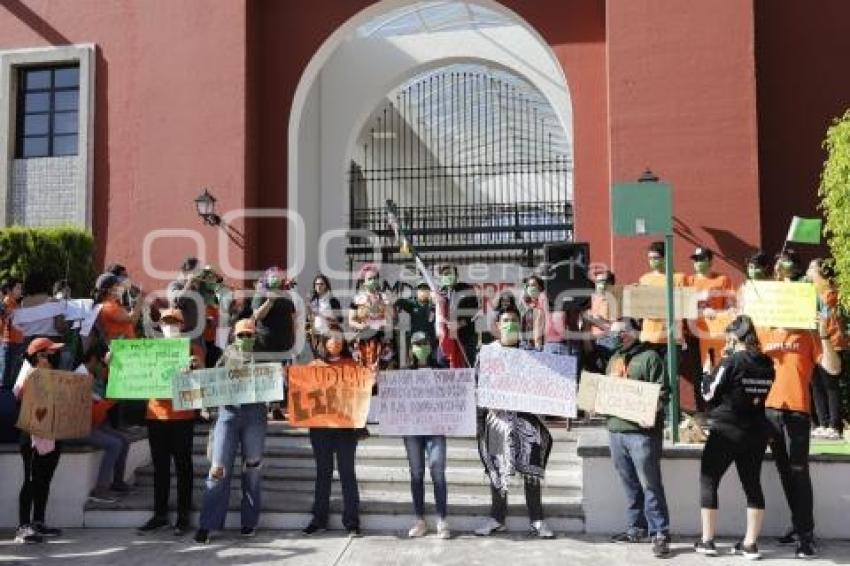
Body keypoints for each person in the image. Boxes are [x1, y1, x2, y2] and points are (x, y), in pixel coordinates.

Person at [761, 307, 841, 558]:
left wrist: (825, 335)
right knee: (785, 473)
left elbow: (834, 368)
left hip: (797, 413)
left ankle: (806, 536)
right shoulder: (764, 332)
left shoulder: (809, 336)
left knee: (799, 473)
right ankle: (798, 526)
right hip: (769, 411)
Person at [694, 315, 775, 559]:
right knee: (752, 485)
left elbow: (708, 393)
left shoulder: (731, 361)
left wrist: (708, 373)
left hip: (726, 430)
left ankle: (707, 541)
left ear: (733, 337)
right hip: (756, 431)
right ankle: (750, 544)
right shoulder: (767, 363)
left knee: (709, 480)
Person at [475, 307, 554, 539]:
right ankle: (497, 519)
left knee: (531, 471)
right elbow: (478, 386)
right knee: (497, 471)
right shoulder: (487, 353)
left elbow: (545, 385)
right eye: (505, 320)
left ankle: (537, 520)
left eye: (514, 320)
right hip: (497, 421)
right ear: (498, 325)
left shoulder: (531, 353)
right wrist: (479, 423)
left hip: (527, 421)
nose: (510, 324)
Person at [194, 318, 269, 544]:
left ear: (255, 336)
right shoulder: (225, 356)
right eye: (241, 335)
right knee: (217, 469)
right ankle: (208, 524)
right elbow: (211, 382)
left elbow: (274, 388)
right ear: (234, 337)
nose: (245, 339)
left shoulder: (264, 357)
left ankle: (249, 522)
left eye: (249, 335)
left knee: (253, 468)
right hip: (228, 414)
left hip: (255, 415)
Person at [605, 317, 671, 558]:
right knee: (629, 483)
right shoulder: (614, 359)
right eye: (612, 333)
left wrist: (650, 409)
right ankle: (636, 528)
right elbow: (606, 391)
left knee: (650, 484)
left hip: (641, 434)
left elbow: (663, 393)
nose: (614, 336)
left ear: (631, 333)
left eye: (618, 333)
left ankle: (660, 533)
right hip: (616, 430)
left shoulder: (650, 358)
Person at [13, 337, 87, 543]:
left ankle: (38, 521)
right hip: (32, 436)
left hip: (54, 434)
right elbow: (20, 397)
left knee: (44, 480)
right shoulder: (27, 375)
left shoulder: (56, 375)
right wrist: (37, 374)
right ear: (39, 355)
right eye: (49, 352)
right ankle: (23, 526)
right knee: (30, 481)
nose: (55, 355)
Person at [138, 308, 203, 537]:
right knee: (160, 468)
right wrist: (114, 360)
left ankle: (183, 515)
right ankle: (160, 514)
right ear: (160, 325)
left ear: (182, 325)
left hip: (182, 417)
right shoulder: (151, 349)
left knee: (183, 467)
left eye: (174, 322)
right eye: (166, 322)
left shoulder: (192, 350)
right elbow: (133, 369)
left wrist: (195, 368)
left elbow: (201, 381)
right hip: (155, 415)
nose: (170, 325)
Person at [302, 332, 362, 536]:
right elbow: (303, 393)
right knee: (323, 473)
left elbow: (361, 394)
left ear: (343, 342)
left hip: (345, 429)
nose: (334, 342)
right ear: (323, 342)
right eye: (330, 338)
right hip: (320, 428)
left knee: (347, 473)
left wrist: (371, 377)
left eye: (338, 338)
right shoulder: (314, 367)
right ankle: (319, 519)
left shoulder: (353, 366)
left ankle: (352, 521)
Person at [404, 331, 450, 539]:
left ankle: (442, 520)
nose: (421, 347)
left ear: (430, 347)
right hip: (412, 429)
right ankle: (419, 520)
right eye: (417, 343)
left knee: (438, 471)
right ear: (411, 348)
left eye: (424, 343)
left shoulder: (442, 370)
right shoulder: (403, 372)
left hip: (436, 428)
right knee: (416, 473)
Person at [806, 259, 847, 440]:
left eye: (811, 268)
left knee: (830, 384)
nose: (808, 272)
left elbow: (827, 318)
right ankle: (822, 423)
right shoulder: (809, 294)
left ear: (822, 273)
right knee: (816, 384)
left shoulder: (831, 294)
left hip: (832, 344)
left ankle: (834, 425)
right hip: (815, 344)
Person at [638, 241, 687, 354]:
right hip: (648, 337)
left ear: (666, 257)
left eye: (655, 258)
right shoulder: (644, 279)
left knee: (669, 371)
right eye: (650, 258)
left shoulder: (679, 278)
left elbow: (684, 307)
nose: (652, 261)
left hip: (671, 339)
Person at [349, 264, 393, 369]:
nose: (372, 281)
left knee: (382, 366)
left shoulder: (385, 297)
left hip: (381, 338)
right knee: (363, 366)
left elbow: (391, 318)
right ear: (364, 282)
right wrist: (361, 326)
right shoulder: (357, 299)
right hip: (364, 337)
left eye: (375, 278)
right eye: (369, 279)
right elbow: (351, 321)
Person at [251, 267, 297, 364]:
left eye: (279, 277)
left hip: (285, 344)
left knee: (282, 375)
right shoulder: (261, 294)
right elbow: (257, 316)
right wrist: (270, 302)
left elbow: (292, 317)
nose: (277, 279)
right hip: (266, 345)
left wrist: (293, 339)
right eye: (274, 277)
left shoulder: (286, 295)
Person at [436, 264, 479, 368]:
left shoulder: (466, 289)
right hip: (446, 338)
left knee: (466, 366)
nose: (447, 276)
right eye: (445, 274)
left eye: (450, 273)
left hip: (465, 338)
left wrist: (459, 324)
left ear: (456, 275)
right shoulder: (439, 293)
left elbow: (475, 312)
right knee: (443, 364)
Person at [395, 281, 437, 363]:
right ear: (417, 292)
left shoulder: (434, 305)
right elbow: (399, 302)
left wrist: (435, 299)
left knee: (431, 364)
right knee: (414, 364)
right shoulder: (413, 304)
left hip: (430, 340)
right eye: (421, 290)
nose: (423, 292)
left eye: (426, 289)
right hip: (415, 341)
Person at [94, 273, 142, 343]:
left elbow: (131, 323)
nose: (121, 287)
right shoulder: (108, 306)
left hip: (127, 345)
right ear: (109, 290)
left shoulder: (112, 305)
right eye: (117, 285)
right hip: (124, 348)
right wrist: (141, 298)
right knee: (163, 350)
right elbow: (132, 319)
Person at [308, 273, 343, 358]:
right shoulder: (313, 302)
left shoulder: (333, 300)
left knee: (331, 360)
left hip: (331, 335)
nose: (318, 286)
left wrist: (324, 316)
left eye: (321, 284)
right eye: (316, 284)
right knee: (319, 361)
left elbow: (340, 319)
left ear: (326, 285)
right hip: (316, 336)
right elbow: (309, 320)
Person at [1, 277, 25, 389]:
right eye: (18, 288)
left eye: (21, 288)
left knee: (12, 377)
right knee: (5, 377)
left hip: (17, 343)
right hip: (9, 344)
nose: (20, 290)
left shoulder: (16, 303)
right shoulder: (6, 302)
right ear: (9, 290)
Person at [520, 275, 547, 350]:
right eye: (529, 285)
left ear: (540, 287)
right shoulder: (524, 305)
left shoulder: (545, 303)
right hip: (527, 344)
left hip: (543, 345)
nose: (530, 288)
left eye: (533, 285)